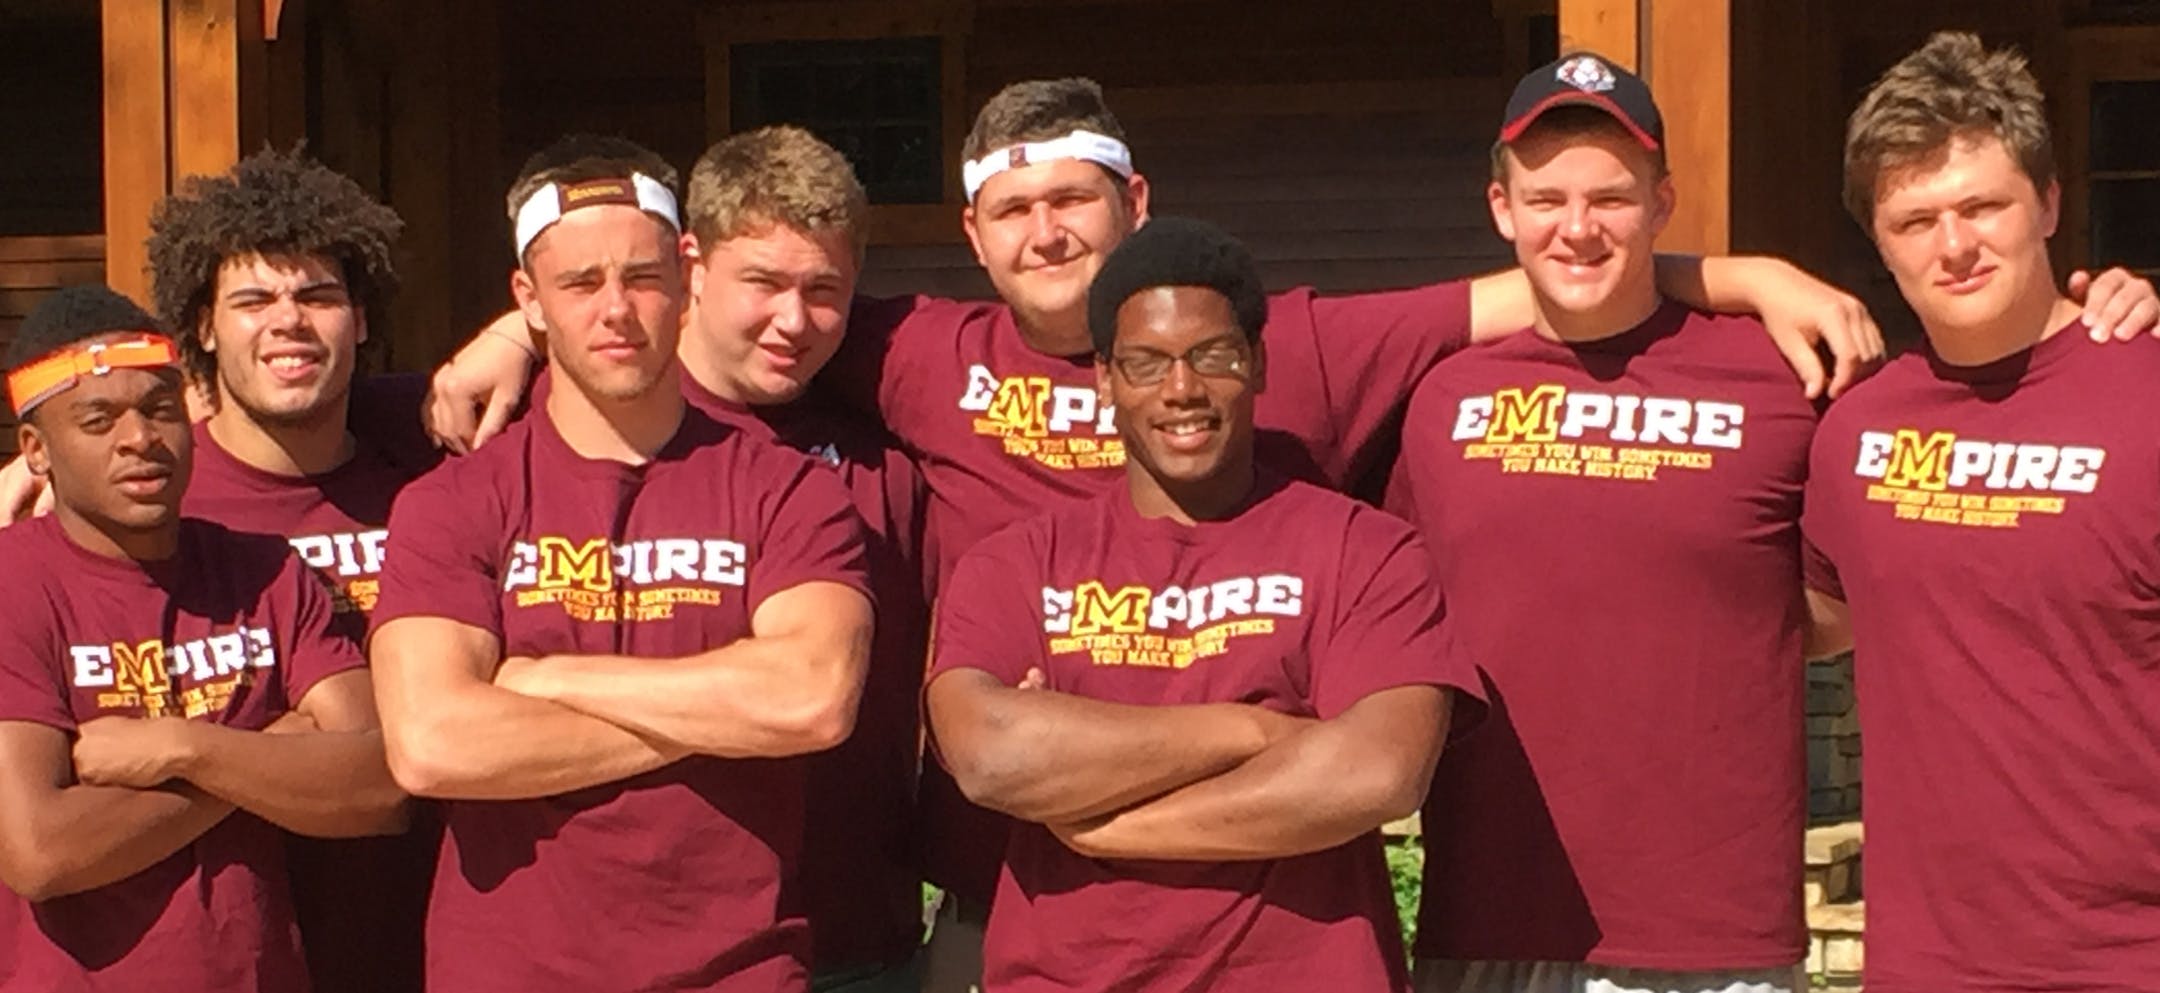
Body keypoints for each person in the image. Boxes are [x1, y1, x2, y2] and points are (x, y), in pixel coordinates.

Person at [367, 135, 876, 993]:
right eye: (580, 283)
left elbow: (812, 697)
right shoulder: (453, 502)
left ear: (686, 276)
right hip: (509, 971)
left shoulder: (788, 489)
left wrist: (547, 678)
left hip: (736, 967)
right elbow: (432, 743)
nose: (617, 309)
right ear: (528, 301)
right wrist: (715, 720)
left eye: (641, 277)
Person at [927, 217, 1479, 992]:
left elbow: (1377, 771)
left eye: (1212, 356)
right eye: (1146, 363)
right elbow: (991, 755)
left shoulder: (1367, 550)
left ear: (1256, 362)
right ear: (1104, 378)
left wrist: (1109, 819)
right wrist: (1257, 729)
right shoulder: (1018, 563)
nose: (1181, 389)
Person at [1385, 53, 1839, 993]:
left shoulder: (1780, 374)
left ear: (1662, 202)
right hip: (1491, 906)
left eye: (1613, 198)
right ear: (1502, 210)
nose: (1579, 228)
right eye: (1546, 199)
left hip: (1716, 928)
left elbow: (1844, 606)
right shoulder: (1440, 397)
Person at [1803, 32, 2160, 991]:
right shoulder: (1854, 431)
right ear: (1876, 238)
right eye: (1915, 220)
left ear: (2048, 204)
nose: (1954, 246)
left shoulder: (2149, 394)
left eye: (1981, 206)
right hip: (1930, 964)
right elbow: (1811, 620)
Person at [0, 285, 406, 992]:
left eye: (161, 409)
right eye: (98, 420)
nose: (140, 439)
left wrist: (188, 747)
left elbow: (379, 786)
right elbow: (39, 849)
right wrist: (272, 745)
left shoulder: (265, 569)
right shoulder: (15, 584)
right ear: (36, 451)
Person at [143, 144, 439, 993]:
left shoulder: (433, 473)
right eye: (252, 299)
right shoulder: (157, 502)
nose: (289, 320)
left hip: (433, 936)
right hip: (237, 947)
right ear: (201, 325)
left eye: (318, 294)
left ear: (362, 317)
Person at [675, 125, 931, 993]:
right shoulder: (588, 429)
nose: (795, 320)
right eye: (764, 282)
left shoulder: (887, 456)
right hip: (668, 944)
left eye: (825, 289)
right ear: (692, 265)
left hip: (860, 935)